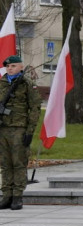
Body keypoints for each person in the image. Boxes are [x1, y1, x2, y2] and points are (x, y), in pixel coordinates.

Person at [0, 56, 41, 211]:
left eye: (13, 66)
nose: (10, 68)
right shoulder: (1, 83)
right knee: (5, 164)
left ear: (21, 67)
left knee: (18, 163)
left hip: (19, 128)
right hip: (2, 128)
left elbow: (35, 108)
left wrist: (30, 131)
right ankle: (6, 196)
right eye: (8, 66)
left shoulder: (27, 84)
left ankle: (17, 196)